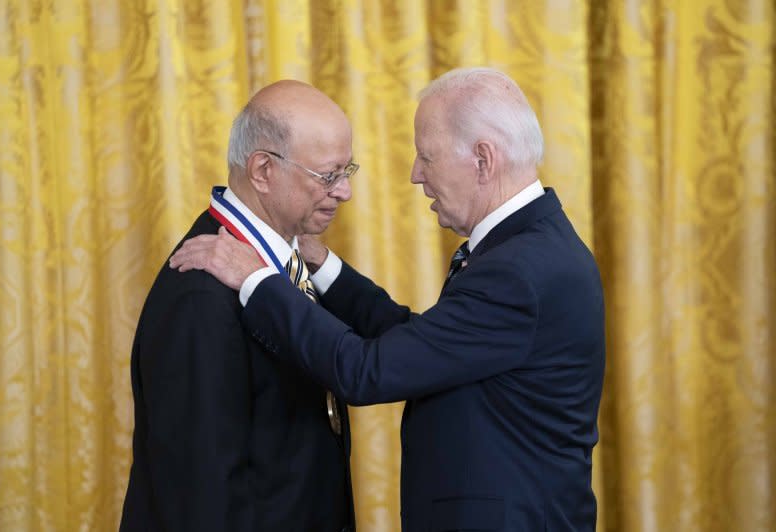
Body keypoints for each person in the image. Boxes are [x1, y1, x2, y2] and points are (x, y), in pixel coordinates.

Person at [170, 67, 605, 531]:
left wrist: (256, 278)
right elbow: (423, 343)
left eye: (427, 157)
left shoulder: (520, 270)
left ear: (483, 160)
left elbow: (366, 371)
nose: (416, 175)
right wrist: (323, 267)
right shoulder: (531, 246)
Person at [120, 80, 358, 532]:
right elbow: (200, 494)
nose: (344, 191)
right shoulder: (200, 295)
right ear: (263, 170)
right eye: (329, 175)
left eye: (349, 171)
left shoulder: (282, 257)